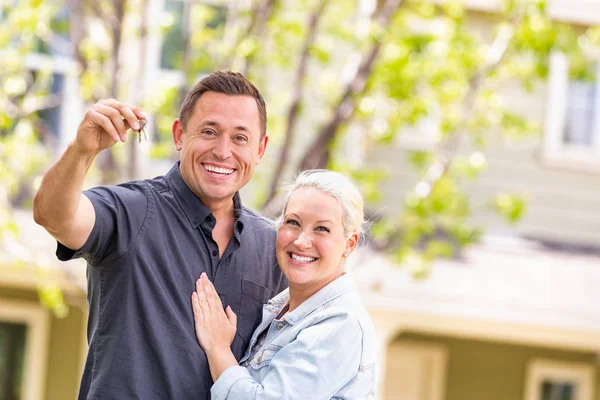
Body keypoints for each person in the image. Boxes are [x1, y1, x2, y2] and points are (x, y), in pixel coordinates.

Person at [33, 71, 287, 399]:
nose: (223, 151)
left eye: (240, 138)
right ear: (179, 135)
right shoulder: (131, 212)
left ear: (260, 149)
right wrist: (82, 151)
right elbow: (53, 216)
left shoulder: (272, 247)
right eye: (209, 131)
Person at [191, 169, 378, 399]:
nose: (301, 241)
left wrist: (218, 349)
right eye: (293, 222)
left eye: (322, 228)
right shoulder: (280, 309)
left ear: (349, 244)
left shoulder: (340, 326)